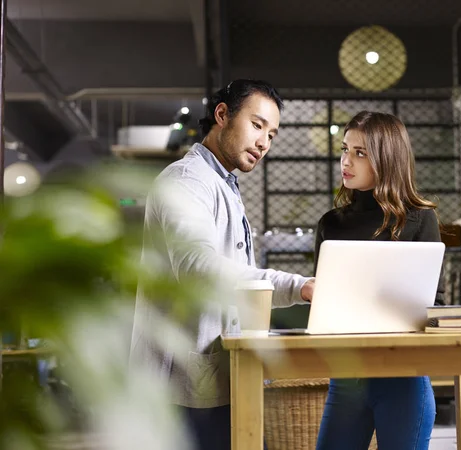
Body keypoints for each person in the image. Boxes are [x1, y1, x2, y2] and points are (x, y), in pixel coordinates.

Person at [130, 79, 314, 450]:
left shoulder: (222, 184)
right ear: (222, 115)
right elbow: (198, 267)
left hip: (216, 377)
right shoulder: (187, 181)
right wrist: (297, 285)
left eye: (272, 134)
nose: (264, 142)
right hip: (180, 388)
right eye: (257, 125)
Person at [314, 111, 444, 450]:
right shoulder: (331, 224)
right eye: (345, 149)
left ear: (386, 159)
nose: (346, 161)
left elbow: (435, 303)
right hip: (346, 380)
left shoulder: (420, 218)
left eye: (360, 152)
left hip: (404, 380)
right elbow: (323, 301)